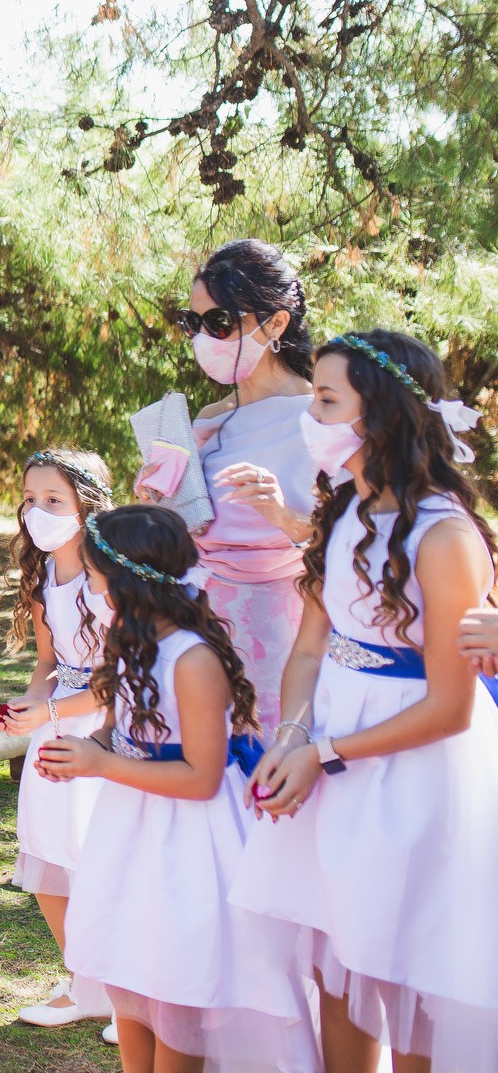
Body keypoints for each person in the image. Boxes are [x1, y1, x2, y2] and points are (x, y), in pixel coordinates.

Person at [232, 331, 498, 1072]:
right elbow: (310, 647)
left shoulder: (443, 536)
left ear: (378, 414)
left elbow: (452, 707)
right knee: (338, 957)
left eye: (325, 400)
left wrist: (325, 753)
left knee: (409, 969)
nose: (309, 415)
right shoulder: (344, 508)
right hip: (330, 754)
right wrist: (291, 736)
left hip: (413, 772)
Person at [43, 507, 317, 1073]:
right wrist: (85, 750)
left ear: (128, 580)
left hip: (186, 843)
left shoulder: (192, 660)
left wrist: (101, 764)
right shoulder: (129, 640)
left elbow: (201, 777)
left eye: (93, 577)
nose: (90, 588)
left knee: (176, 986)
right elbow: (119, 726)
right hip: (130, 829)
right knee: (132, 980)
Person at [147, 240, 318, 733]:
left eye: (219, 322)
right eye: (193, 322)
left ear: (276, 323)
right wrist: (157, 507)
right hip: (199, 627)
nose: (204, 337)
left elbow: (360, 538)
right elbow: (190, 529)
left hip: (286, 635)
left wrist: (284, 517)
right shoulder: (208, 418)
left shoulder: (321, 418)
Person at [0, 449, 117, 1041]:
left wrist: (53, 711)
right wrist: (29, 707)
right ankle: (85, 984)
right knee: (48, 854)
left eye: (53, 500)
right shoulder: (42, 576)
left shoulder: (111, 578)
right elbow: (49, 663)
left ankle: (129, 995)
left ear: (85, 507)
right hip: (54, 725)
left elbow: (122, 678)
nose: (38, 511)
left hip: (107, 727)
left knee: (102, 859)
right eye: (30, 499)